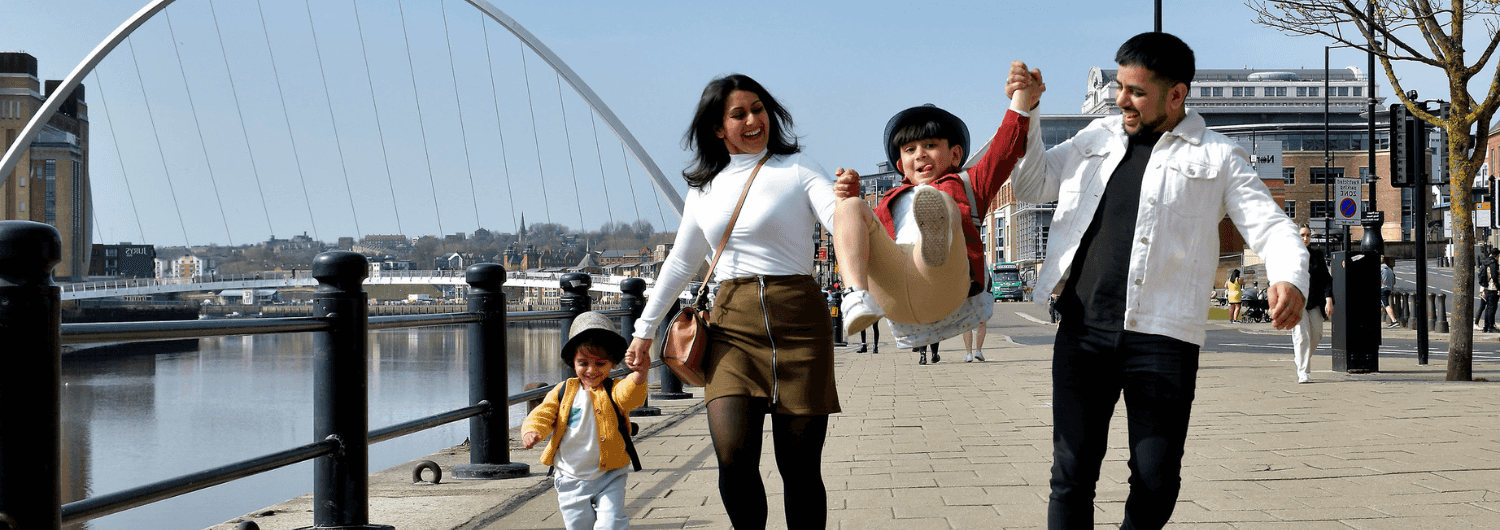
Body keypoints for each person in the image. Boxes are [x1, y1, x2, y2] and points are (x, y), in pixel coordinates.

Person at [1009, 33, 1309, 529]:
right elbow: (1031, 183)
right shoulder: (1097, 138)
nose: (1121, 99)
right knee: (1071, 472)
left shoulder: (1219, 156)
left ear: (1176, 94)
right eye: (1120, 87)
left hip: (1164, 339)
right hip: (1083, 332)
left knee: (1156, 479)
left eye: (1136, 91)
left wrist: (1289, 278)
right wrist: (1029, 111)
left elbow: (1271, 225)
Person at [624, 74, 838, 529]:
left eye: (758, 109)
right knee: (734, 457)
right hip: (731, 325)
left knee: (799, 467)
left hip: (799, 319)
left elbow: (841, 222)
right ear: (718, 128)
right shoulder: (706, 187)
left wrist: (853, 203)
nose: (752, 120)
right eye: (738, 114)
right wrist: (644, 331)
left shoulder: (799, 169)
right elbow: (681, 264)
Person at [832, 97, 1030, 351]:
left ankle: (934, 243)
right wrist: (843, 200)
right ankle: (855, 296)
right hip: (894, 293)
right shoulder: (888, 202)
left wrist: (1022, 99)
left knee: (942, 203)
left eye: (930, 145)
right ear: (900, 165)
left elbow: (1004, 150)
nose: (920, 154)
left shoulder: (968, 184)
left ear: (955, 154)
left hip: (943, 289)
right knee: (852, 208)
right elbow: (853, 241)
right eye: (910, 149)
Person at [521, 312, 650, 530]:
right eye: (583, 363)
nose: (591, 370)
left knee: (611, 523)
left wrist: (639, 375)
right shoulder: (563, 391)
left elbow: (630, 396)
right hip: (570, 476)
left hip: (610, 475)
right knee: (579, 525)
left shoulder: (614, 389)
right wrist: (532, 430)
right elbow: (543, 413)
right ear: (573, 361)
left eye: (600, 364)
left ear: (612, 364)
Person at [1293, 225, 1334, 383]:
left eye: (1308, 235)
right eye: (1303, 235)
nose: (1306, 238)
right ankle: (1303, 372)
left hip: (1315, 301)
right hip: (1297, 302)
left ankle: (1300, 357)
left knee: (1317, 334)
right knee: (1302, 337)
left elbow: (1326, 278)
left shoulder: (1316, 255)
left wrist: (1328, 299)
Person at [1481, 248, 1500, 332]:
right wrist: (1499, 288)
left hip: (1486, 287)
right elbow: (1495, 277)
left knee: (1488, 308)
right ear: (1497, 255)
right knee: (1492, 307)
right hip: (1493, 288)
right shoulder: (1493, 263)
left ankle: (1486, 326)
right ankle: (1490, 327)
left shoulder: (1486, 261)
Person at [1381, 259, 1399, 328]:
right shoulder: (1389, 269)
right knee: (1381, 305)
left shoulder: (1380, 269)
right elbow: (1394, 280)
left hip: (1382, 288)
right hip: (1388, 288)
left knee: (1386, 305)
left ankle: (1394, 321)